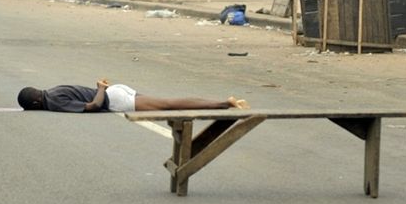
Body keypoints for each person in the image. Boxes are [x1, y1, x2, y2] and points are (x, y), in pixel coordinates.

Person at [17, 79, 250, 112]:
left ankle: (223, 103)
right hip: (117, 90)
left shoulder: (53, 101)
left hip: (113, 98)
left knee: (169, 105)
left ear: (36, 103)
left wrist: (99, 88)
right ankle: (221, 103)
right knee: (166, 103)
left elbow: (93, 106)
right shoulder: (55, 89)